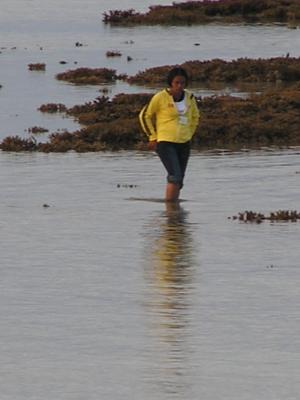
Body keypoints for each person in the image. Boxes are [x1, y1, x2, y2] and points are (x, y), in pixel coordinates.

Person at [139, 67, 200, 202]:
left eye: (183, 83)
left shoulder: (189, 96)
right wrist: (152, 137)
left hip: (184, 143)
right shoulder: (160, 97)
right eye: (177, 82)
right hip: (166, 142)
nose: (180, 86)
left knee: (180, 180)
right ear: (170, 83)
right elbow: (145, 116)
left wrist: (190, 133)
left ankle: (175, 215)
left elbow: (195, 116)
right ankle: (170, 211)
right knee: (175, 175)